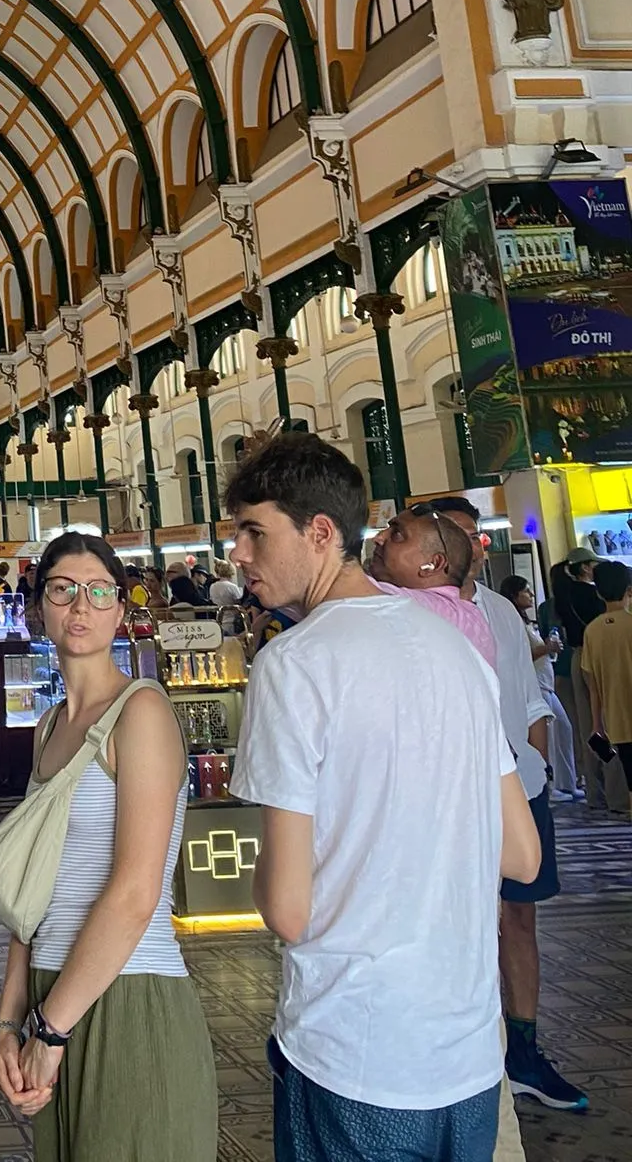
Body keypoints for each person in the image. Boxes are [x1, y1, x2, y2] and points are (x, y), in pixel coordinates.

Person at [227, 437, 538, 1159]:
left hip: (354, 1049)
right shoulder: (455, 650)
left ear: (322, 534)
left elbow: (287, 908)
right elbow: (521, 856)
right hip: (465, 1055)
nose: (238, 553)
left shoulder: (294, 664)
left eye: (254, 531)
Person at [0, 533, 215, 1160]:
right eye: (62, 590)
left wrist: (49, 1029)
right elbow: (31, 893)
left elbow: (136, 893)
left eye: (99, 591)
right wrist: (11, 1021)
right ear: (39, 608)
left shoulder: (142, 713)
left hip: (129, 997)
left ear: (121, 608)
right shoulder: (49, 727)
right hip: (51, 993)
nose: (80, 607)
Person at [425, 497, 585, 1114]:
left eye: (476, 535)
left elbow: (527, 700)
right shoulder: (403, 614)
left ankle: (524, 1049)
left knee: (520, 918)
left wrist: (535, 767)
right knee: (456, 922)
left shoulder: (499, 612)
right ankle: (466, 1051)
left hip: (516, 787)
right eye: (456, 534)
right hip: (447, 798)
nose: (472, 546)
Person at [369, 510, 497, 665]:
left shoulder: (424, 607)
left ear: (434, 564)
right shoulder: (472, 618)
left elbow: (349, 584)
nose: (378, 538)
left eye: (397, 534)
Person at [499, 576, 576, 799]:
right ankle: (548, 785)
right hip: (535, 687)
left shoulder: (525, 622)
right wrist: (546, 648)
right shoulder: (512, 623)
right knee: (550, 734)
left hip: (545, 683)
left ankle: (565, 782)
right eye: (526, 591)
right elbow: (519, 656)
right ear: (515, 595)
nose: (531, 595)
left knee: (562, 729)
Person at [553, 551, 607, 809]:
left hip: (578, 658)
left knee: (587, 724)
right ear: (585, 568)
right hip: (595, 659)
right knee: (604, 723)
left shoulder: (565, 594)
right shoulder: (591, 596)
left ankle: (594, 789)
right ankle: (612, 787)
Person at [580, 558, 632, 797]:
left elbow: (593, 685)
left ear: (598, 593)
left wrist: (597, 724)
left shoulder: (592, 630)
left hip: (618, 720)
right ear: (628, 590)